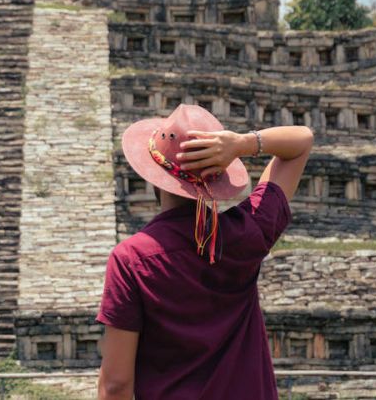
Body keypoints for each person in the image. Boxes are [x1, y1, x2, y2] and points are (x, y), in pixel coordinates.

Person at [97, 104, 313, 399]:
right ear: (217, 179)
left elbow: (116, 386)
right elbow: (302, 141)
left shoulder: (132, 259)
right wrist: (241, 143)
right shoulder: (247, 234)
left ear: (153, 179)